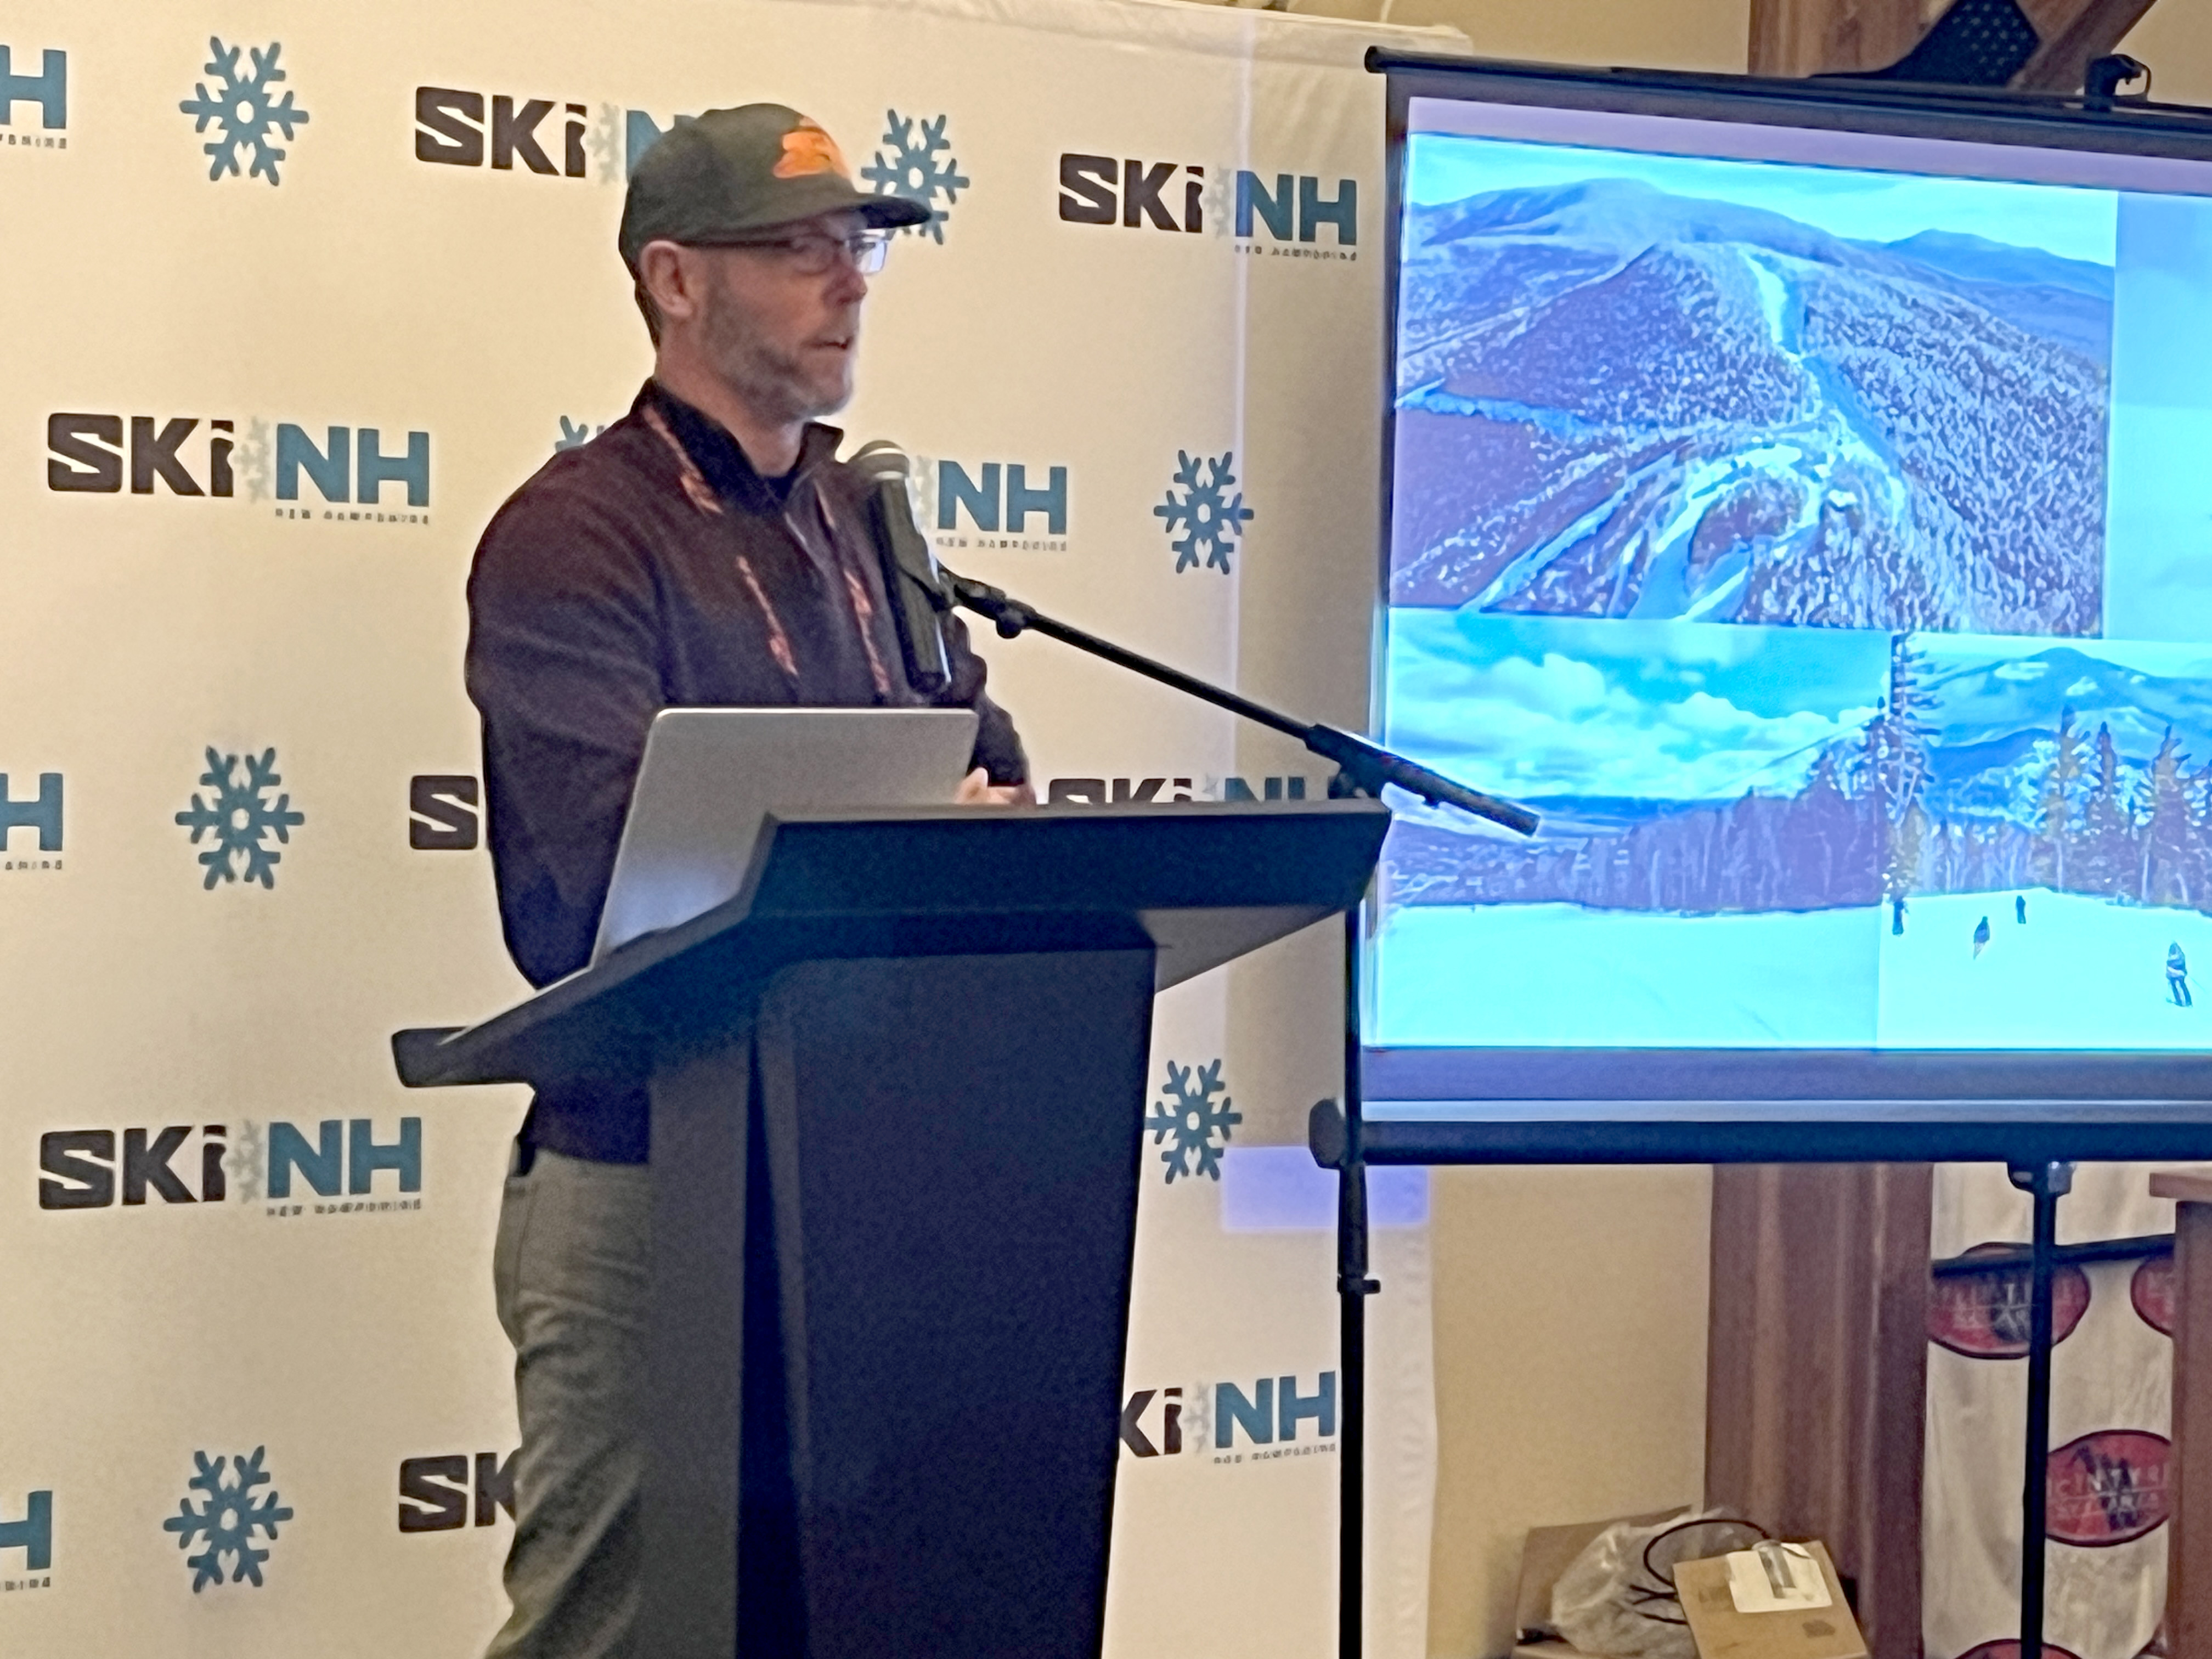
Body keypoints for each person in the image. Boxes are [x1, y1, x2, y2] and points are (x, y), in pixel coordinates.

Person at [462, 104, 1031, 1659]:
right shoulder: (576, 536)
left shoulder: (867, 520)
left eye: (858, 249)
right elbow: (591, 886)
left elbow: (990, 764)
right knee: (610, 1631)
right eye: (797, 251)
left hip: (868, 1177)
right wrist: (889, 841)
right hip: (655, 1172)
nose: (848, 284)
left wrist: (961, 824)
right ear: (674, 280)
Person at [2170, 942, 2192, 1007]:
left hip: (2176, 974)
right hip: (2178, 974)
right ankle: (2187, 1001)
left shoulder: (2177, 956)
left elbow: (2169, 966)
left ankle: (2181, 1001)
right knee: (2180, 986)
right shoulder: (2181, 955)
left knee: (2179, 986)